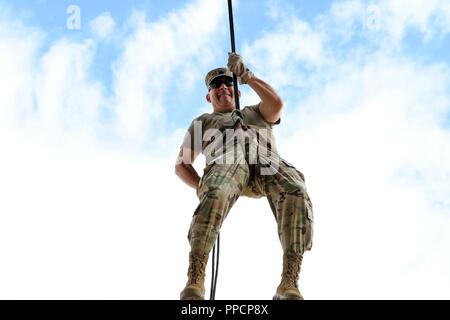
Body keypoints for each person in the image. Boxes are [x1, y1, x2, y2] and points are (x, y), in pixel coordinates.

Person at [175, 53, 313, 300]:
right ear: (209, 96)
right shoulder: (203, 122)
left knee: (296, 189)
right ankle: (196, 276)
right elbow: (182, 165)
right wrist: (203, 188)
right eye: (215, 86)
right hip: (227, 165)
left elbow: (276, 104)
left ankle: (289, 281)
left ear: (237, 92)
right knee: (216, 191)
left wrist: (247, 76)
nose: (223, 88)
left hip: (265, 163)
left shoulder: (255, 113)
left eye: (228, 83)